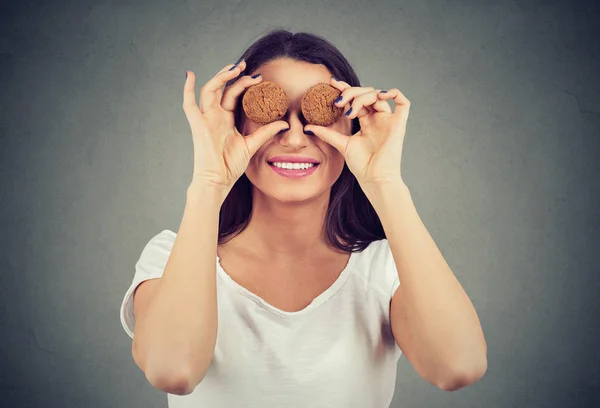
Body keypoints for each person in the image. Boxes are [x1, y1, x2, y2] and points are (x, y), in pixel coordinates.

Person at [119, 29, 487, 407]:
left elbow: (458, 367)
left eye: (322, 111)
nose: (295, 138)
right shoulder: (171, 256)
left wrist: (386, 183)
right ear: (236, 125)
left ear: (353, 127)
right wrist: (210, 181)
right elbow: (173, 371)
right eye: (271, 114)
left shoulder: (385, 268)